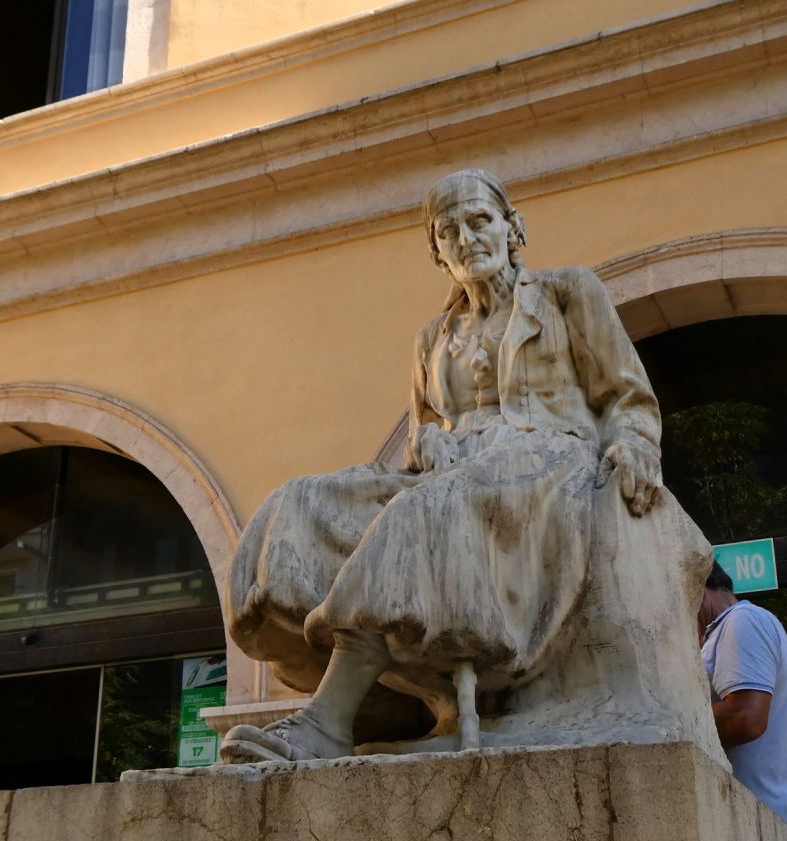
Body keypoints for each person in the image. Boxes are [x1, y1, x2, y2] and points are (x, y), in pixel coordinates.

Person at [221, 168, 664, 763]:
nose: (467, 240)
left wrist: (635, 446)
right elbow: (426, 428)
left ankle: (327, 720)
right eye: (448, 233)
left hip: (549, 463)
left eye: (480, 222)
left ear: (512, 228)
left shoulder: (567, 293)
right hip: (455, 474)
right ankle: (383, 695)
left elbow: (626, 397)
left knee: (424, 510)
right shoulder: (432, 337)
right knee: (300, 502)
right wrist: (427, 443)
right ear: (437, 251)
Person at [698, 562, 787, 832]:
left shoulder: (743, 620)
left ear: (694, 585)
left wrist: (667, 721)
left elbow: (745, 718)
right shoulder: (721, 632)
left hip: (760, 826)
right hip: (750, 825)